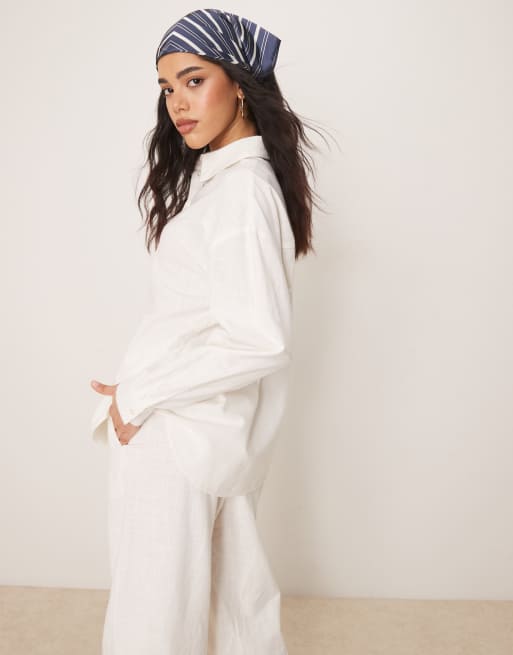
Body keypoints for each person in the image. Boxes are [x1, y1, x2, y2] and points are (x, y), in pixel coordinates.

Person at [89, 8, 318, 654]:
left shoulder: (241, 191)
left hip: (179, 434)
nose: (177, 104)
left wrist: (141, 393)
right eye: (167, 88)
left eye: (193, 81)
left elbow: (260, 337)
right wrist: (136, 388)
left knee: (152, 619)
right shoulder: (225, 183)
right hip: (202, 429)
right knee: (240, 609)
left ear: (239, 84)